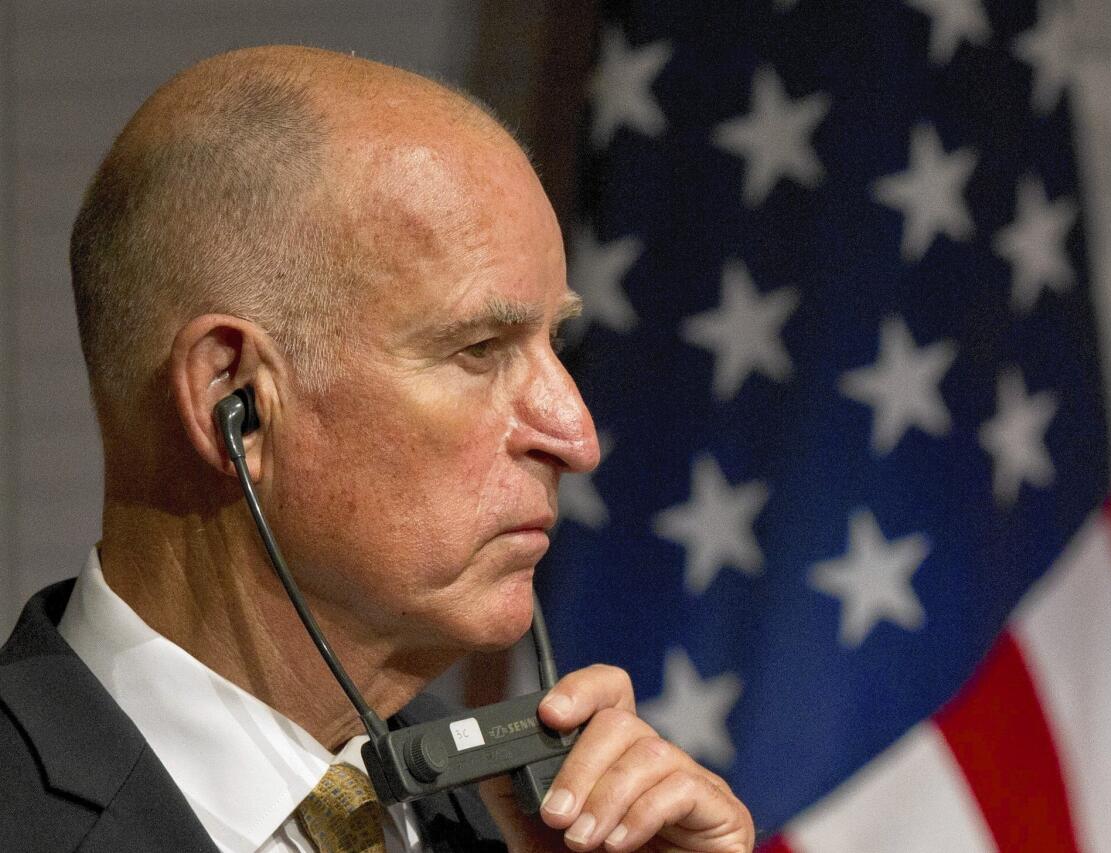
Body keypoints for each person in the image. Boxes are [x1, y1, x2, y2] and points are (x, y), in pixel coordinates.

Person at [0, 46, 755, 852]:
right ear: (236, 400)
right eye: (480, 348)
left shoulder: (526, 823)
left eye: (555, 342)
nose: (574, 435)